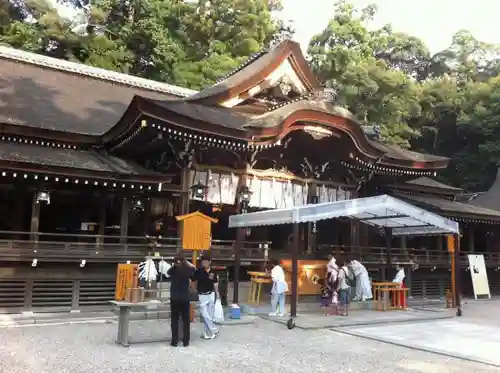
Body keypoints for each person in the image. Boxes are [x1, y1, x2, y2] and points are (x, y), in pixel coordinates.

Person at [167, 252, 195, 347]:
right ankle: (186, 341)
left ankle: (174, 341)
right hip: (184, 298)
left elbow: (168, 272)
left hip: (174, 298)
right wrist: (185, 262)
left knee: (174, 320)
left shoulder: (173, 269)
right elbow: (193, 268)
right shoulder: (188, 269)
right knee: (185, 320)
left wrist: (175, 264)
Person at [191, 254, 219, 340]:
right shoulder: (198, 271)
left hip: (211, 294)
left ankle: (208, 334)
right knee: (204, 314)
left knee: (210, 314)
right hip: (202, 295)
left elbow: (215, 283)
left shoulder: (213, 271)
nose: (205, 263)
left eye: (206, 262)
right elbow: (193, 280)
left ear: (209, 262)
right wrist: (194, 290)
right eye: (203, 262)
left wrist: (217, 293)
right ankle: (213, 329)